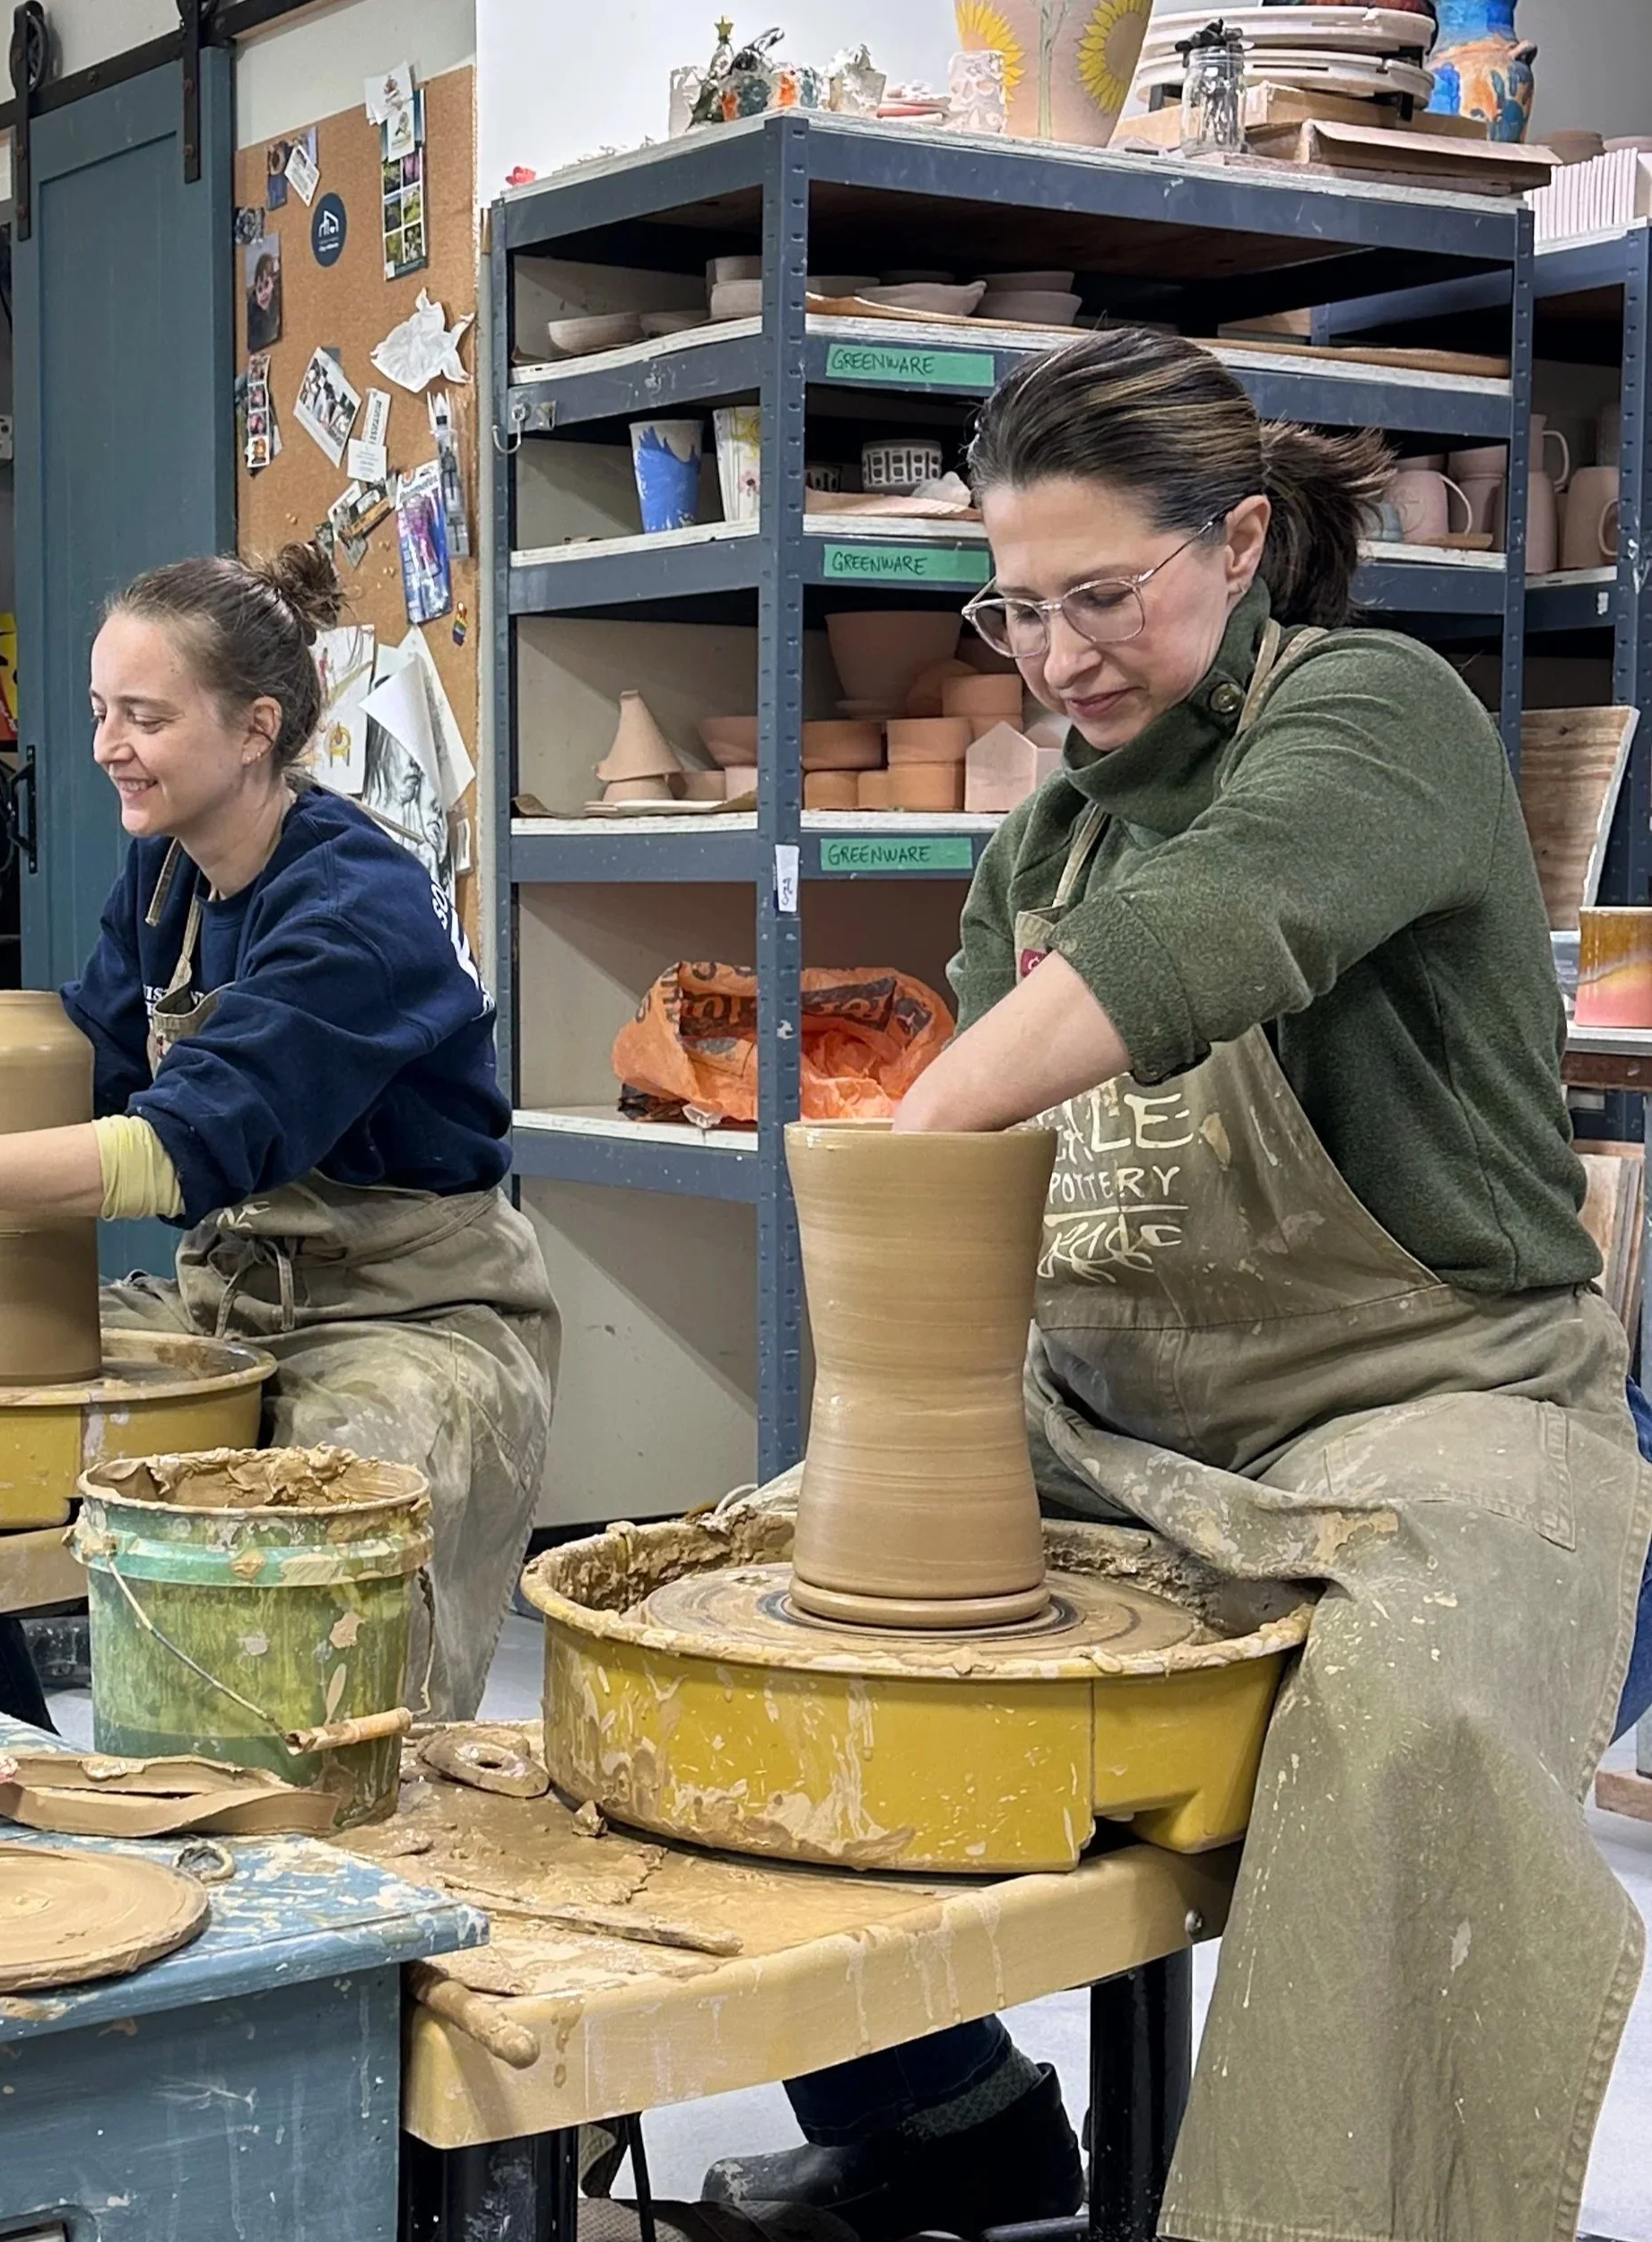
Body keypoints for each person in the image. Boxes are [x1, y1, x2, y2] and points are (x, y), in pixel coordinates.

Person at [707, 328, 1652, 2242]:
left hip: (1433, 1405)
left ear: (1230, 542)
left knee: (1414, 1733)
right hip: (1122, 1426)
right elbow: (971, 1229)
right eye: (1013, 607)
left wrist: (905, 1134)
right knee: (750, 1611)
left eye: (1097, 597)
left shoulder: (1375, 712)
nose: (1052, 658)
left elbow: (1214, 920)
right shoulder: (1042, 836)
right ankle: (944, 2118)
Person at [0, 543, 560, 1729]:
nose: (106, 745)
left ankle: (332, 1810)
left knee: (320, 1513)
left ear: (255, 727)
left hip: (411, 1315)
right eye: (101, 711)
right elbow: (55, 1128)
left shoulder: (359, 909)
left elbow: (156, 1156)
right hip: (229, 1294)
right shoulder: (162, 882)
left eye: (144, 717)